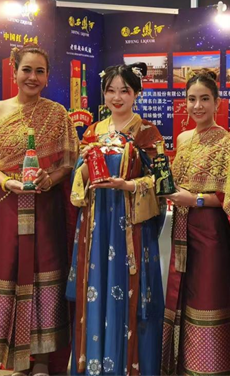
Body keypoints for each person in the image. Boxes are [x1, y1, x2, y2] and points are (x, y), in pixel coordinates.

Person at [0, 45, 79, 376]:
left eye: (40, 71)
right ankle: (17, 357)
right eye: (27, 70)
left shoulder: (58, 113)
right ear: (14, 72)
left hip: (46, 207)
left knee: (44, 275)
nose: (33, 77)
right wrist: (8, 182)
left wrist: (52, 178)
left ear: (47, 77)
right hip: (7, 205)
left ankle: (44, 360)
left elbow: (69, 162)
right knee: (10, 273)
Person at [67, 63, 165, 376]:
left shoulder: (148, 132)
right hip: (96, 225)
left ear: (137, 94)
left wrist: (130, 185)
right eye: (111, 90)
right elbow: (79, 181)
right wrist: (84, 165)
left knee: (130, 293)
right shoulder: (92, 131)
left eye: (125, 90)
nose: (117, 97)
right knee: (95, 288)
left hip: (131, 227)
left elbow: (162, 184)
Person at [161, 71, 230, 376]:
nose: (197, 106)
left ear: (217, 103)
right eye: (192, 99)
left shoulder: (225, 143)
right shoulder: (183, 139)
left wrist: (195, 200)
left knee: (207, 297)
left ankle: (209, 369)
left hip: (210, 233)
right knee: (181, 296)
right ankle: (183, 367)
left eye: (205, 99)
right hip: (182, 230)